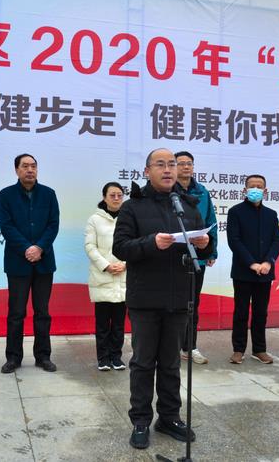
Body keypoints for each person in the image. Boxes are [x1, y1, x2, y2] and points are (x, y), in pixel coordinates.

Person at [113, 148, 212, 450]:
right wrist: (151, 243)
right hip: (144, 298)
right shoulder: (133, 206)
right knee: (143, 363)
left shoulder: (187, 206)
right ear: (147, 171)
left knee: (170, 364)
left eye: (172, 164)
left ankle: (169, 417)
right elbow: (120, 248)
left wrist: (205, 244)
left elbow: (204, 251)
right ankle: (141, 420)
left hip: (179, 298)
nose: (168, 169)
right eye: (161, 164)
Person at [0, 154, 60, 374]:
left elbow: (53, 225)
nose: (30, 170)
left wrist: (40, 248)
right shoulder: (6, 195)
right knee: (16, 312)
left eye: (33, 166)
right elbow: (6, 226)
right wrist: (27, 248)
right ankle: (13, 357)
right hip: (17, 262)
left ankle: (43, 356)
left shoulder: (49, 194)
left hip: (44, 261)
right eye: (25, 166)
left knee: (42, 312)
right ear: (16, 170)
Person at [227, 174, 279, 365]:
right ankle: (238, 350)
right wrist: (252, 263)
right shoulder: (235, 212)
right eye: (252, 186)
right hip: (243, 271)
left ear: (265, 191)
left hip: (265, 272)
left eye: (259, 186)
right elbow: (234, 241)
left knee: (261, 312)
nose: (256, 189)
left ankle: (259, 349)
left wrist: (268, 262)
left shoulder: (271, 214)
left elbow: (277, 241)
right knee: (241, 312)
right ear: (245, 190)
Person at [174, 151, 218, 365]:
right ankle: (170, 348)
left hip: (196, 257)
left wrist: (211, 251)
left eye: (189, 163)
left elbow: (211, 221)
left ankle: (189, 347)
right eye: (181, 163)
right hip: (172, 258)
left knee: (192, 304)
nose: (185, 167)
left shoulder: (202, 192)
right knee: (173, 303)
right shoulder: (168, 191)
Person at [84, 182, 127, 371]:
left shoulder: (128, 217)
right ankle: (103, 358)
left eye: (119, 195)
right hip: (102, 276)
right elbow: (90, 246)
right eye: (112, 195)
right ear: (104, 197)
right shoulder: (94, 219)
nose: (116, 198)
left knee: (118, 324)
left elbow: (134, 243)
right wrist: (106, 266)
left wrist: (125, 264)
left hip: (123, 276)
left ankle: (116, 357)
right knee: (102, 323)